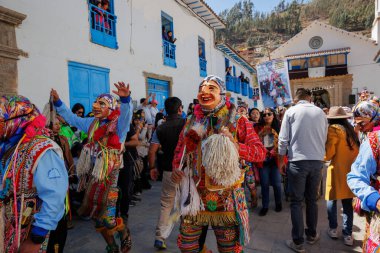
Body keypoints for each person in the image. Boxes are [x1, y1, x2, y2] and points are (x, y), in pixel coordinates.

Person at [171, 75, 266, 252]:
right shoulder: (191, 120)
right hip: (195, 197)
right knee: (187, 247)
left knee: (228, 249)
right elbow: (179, 150)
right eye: (201, 88)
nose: (204, 92)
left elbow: (260, 153)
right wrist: (176, 168)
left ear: (222, 94)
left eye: (211, 88)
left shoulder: (239, 121)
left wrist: (236, 145)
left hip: (226, 200)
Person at [51, 82, 133, 253]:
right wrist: (58, 103)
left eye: (101, 103)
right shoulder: (91, 122)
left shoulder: (119, 126)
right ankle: (112, 246)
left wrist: (125, 99)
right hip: (93, 176)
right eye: (96, 102)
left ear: (111, 108)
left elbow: (126, 115)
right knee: (96, 216)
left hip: (111, 176)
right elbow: (72, 118)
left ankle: (124, 233)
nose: (95, 105)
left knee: (108, 219)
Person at [0, 95, 68, 253]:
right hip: (14, 225)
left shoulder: (42, 147)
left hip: (36, 231)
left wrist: (37, 237)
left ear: (18, 118)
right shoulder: (9, 146)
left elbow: (55, 194)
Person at [278, 88, 328, 252]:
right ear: (310, 98)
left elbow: (283, 139)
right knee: (311, 200)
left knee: (296, 202)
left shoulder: (291, 111)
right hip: (316, 161)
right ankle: (312, 235)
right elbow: (324, 137)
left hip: (298, 162)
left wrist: (280, 160)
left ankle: (298, 242)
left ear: (296, 98)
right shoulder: (320, 113)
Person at [148, 97, 186, 250]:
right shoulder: (186, 125)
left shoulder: (160, 128)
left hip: (169, 171)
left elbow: (152, 150)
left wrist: (152, 167)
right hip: (185, 171)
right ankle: (186, 236)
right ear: (180, 109)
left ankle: (160, 237)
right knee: (187, 203)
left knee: (166, 205)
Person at [324, 107, 359, 246]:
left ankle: (333, 229)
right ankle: (348, 235)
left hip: (336, 169)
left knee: (331, 200)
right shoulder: (351, 130)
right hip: (350, 171)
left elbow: (329, 154)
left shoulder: (333, 130)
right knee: (347, 204)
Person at [347, 130, 380, 253]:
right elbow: (356, 176)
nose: (360, 127)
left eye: (361, 123)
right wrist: (375, 200)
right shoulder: (374, 140)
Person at [256, 108, 282, 216]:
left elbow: (284, 141)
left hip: (276, 160)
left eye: (269, 114)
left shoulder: (279, 127)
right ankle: (265, 206)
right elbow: (255, 142)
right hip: (263, 160)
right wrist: (263, 150)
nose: (267, 116)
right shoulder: (258, 128)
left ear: (273, 115)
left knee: (277, 184)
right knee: (264, 184)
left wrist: (275, 150)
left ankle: (278, 203)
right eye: (264, 114)